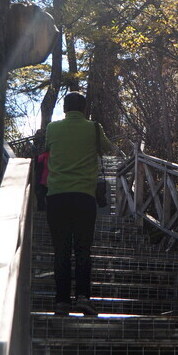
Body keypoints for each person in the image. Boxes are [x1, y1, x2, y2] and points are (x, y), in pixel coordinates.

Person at [44, 92, 118, 316]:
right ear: (84, 109)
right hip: (84, 196)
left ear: (65, 109)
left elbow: (46, 148)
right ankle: (84, 297)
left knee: (61, 249)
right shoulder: (93, 128)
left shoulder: (52, 129)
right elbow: (109, 150)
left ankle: (61, 301)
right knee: (83, 248)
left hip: (56, 195)